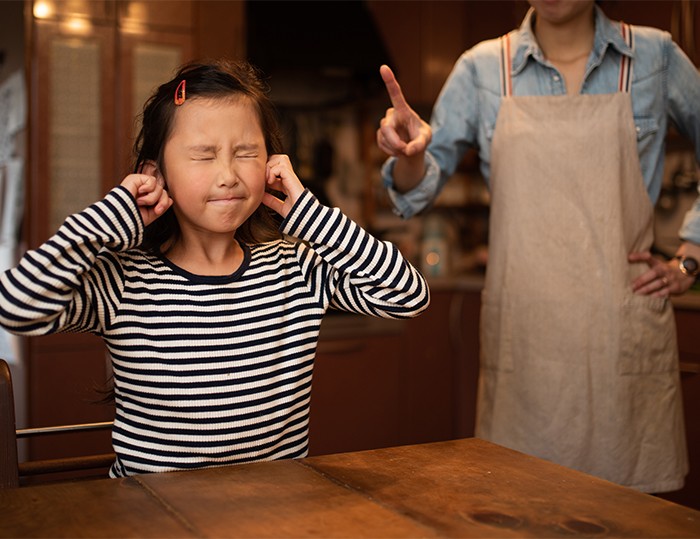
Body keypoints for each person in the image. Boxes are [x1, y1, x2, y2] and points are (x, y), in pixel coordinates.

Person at [0, 59, 430, 478]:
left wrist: (309, 215)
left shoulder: (295, 267)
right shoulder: (123, 280)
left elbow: (408, 296)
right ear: (156, 174)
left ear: (272, 164)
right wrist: (114, 216)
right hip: (153, 517)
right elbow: (17, 305)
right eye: (203, 156)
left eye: (245, 153)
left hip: (276, 514)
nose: (228, 175)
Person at [376, 0, 700, 493]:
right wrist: (409, 155)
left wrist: (690, 256)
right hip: (526, 343)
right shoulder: (482, 69)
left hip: (620, 334)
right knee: (520, 504)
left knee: (629, 517)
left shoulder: (654, 57)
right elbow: (417, 190)